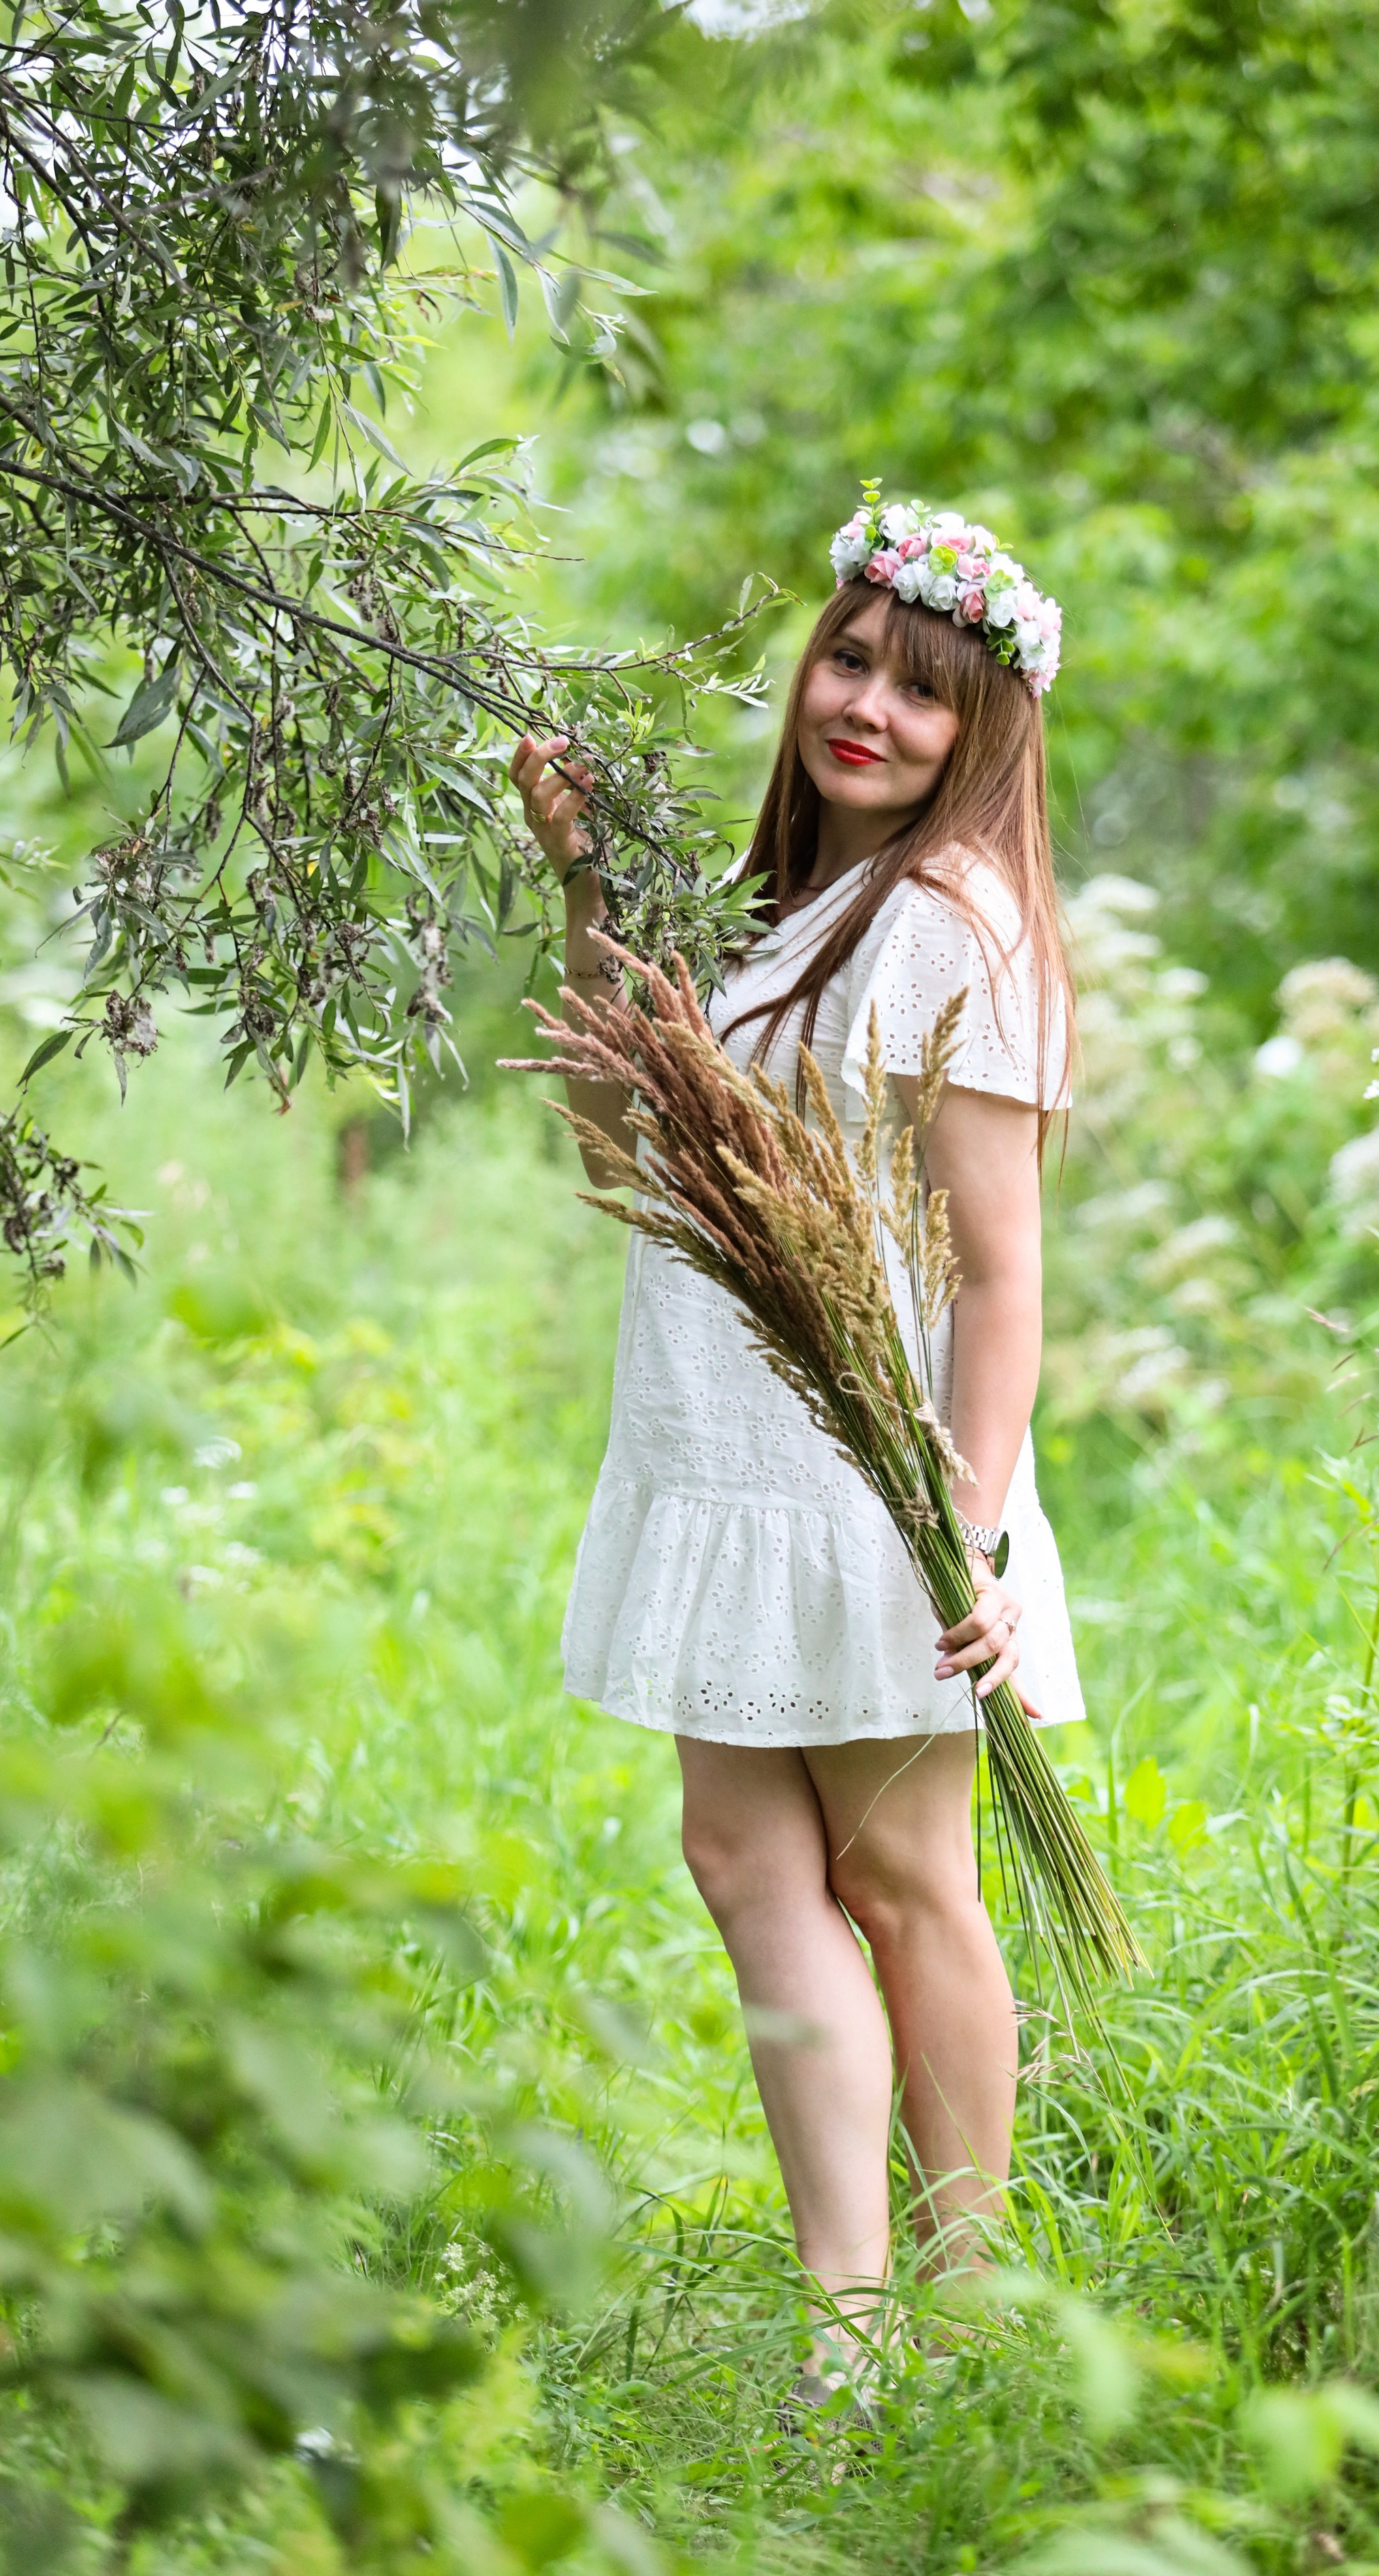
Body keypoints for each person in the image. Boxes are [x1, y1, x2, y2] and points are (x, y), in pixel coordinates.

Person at [509, 497, 1083, 2417]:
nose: (869, 709)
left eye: (925, 693)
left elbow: (999, 1275)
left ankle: (970, 2307)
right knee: (745, 1853)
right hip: (718, 1438)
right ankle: (849, 2339)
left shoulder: (952, 928)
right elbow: (623, 1160)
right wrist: (588, 889)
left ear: (981, 729)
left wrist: (973, 1532)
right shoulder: (782, 912)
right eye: (850, 661)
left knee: (910, 1879)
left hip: (867, 1472)